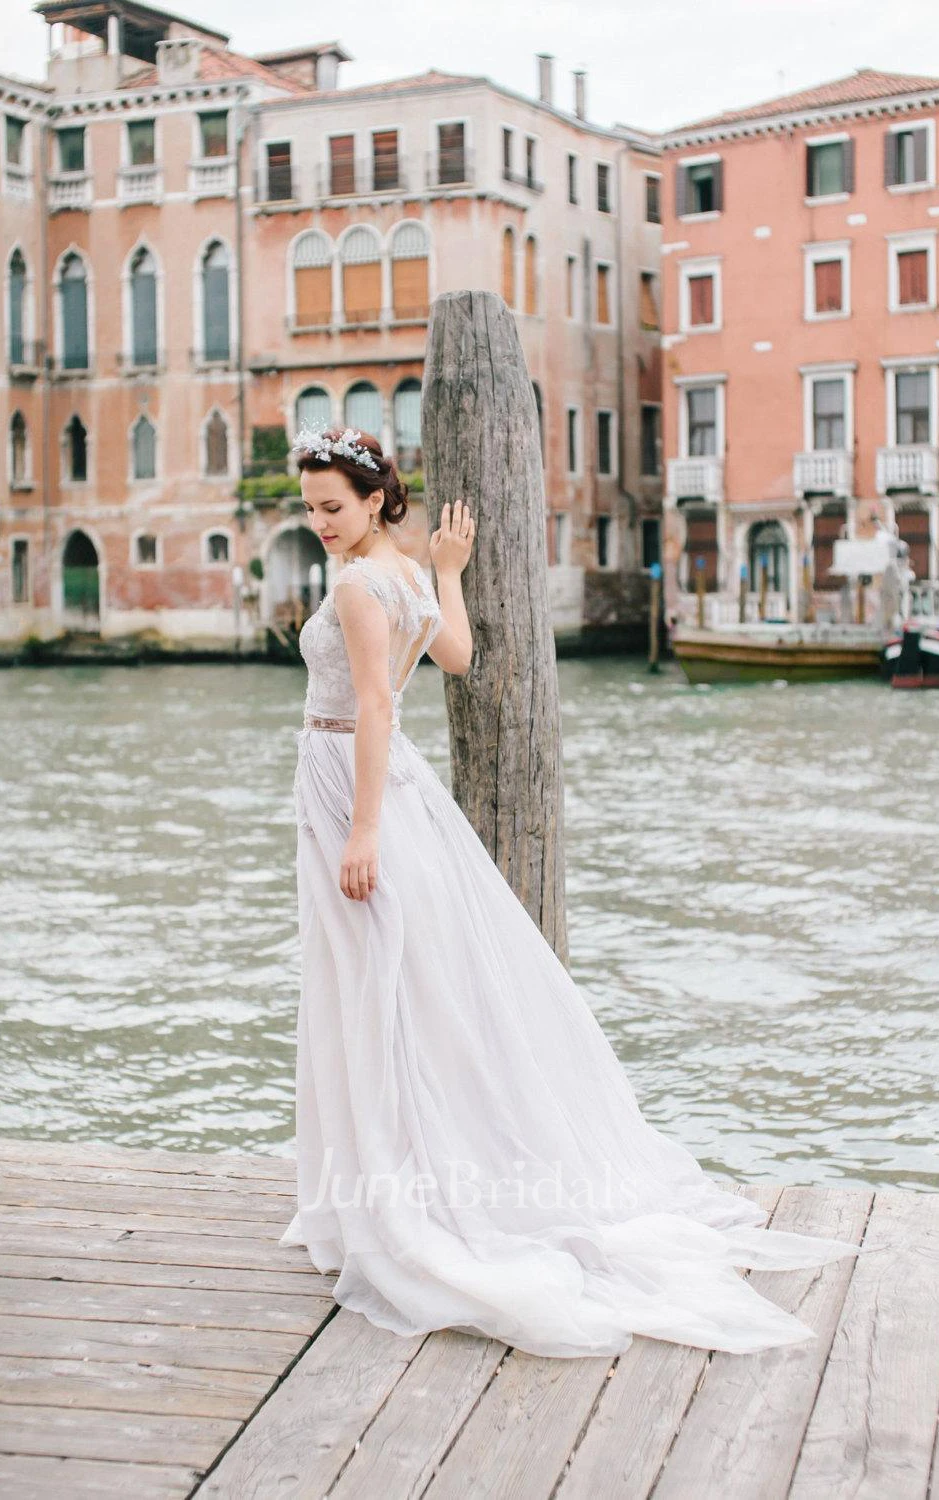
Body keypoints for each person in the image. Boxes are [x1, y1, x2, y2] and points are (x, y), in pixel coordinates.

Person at [279, 425, 870, 1360]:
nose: (318, 524)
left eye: (332, 508)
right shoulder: (400, 572)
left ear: (375, 498)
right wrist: (452, 572)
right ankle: (393, 1177)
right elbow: (459, 656)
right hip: (387, 783)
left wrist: (360, 830)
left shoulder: (357, 584)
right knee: (401, 984)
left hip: (351, 777)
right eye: (310, 509)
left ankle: (393, 1193)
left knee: (374, 982)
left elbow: (380, 706)